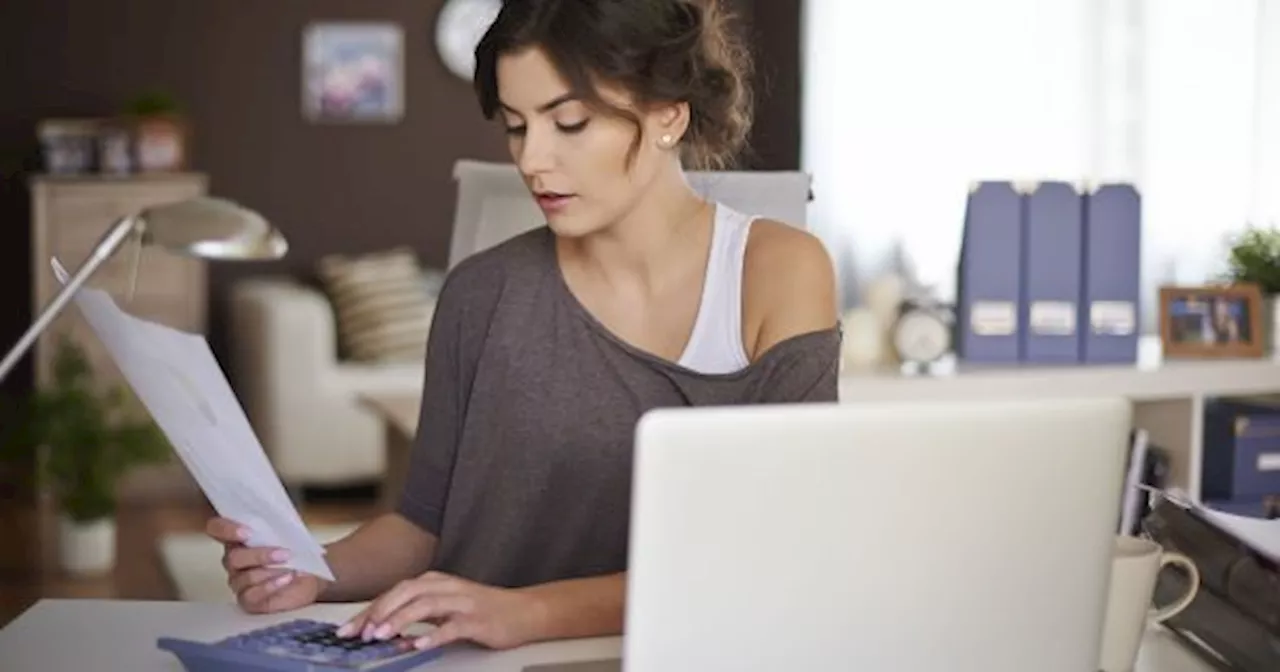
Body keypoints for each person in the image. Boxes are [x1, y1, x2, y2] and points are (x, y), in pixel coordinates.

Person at [205, 0, 841, 654]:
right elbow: (422, 525)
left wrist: (527, 613)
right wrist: (312, 569)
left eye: (569, 122)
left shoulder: (778, 273)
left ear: (667, 116)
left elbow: (782, 546)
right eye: (515, 126)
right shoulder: (480, 294)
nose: (532, 160)